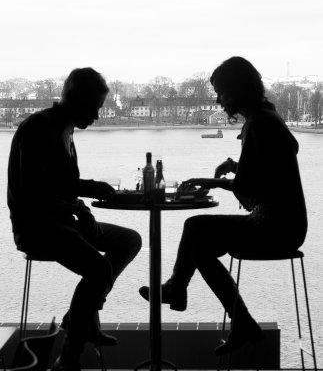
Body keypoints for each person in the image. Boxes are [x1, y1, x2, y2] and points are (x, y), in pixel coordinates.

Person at [139, 56, 307, 355]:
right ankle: (236, 320)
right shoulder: (267, 118)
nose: (218, 100)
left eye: (221, 91)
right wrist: (237, 167)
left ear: (238, 89)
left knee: (195, 226)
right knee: (200, 246)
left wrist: (214, 181)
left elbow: (249, 188)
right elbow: (275, 165)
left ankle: (179, 290)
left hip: (275, 226)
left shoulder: (259, 124)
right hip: (287, 223)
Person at [7, 67, 142, 370]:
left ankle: (81, 316)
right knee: (99, 269)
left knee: (129, 240)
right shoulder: (38, 128)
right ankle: (70, 355)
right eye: (94, 107)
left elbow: (63, 189)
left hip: (62, 221)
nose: (96, 116)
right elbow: (36, 188)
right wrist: (87, 190)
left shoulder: (64, 129)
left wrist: (83, 211)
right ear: (76, 99)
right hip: (36, 227)